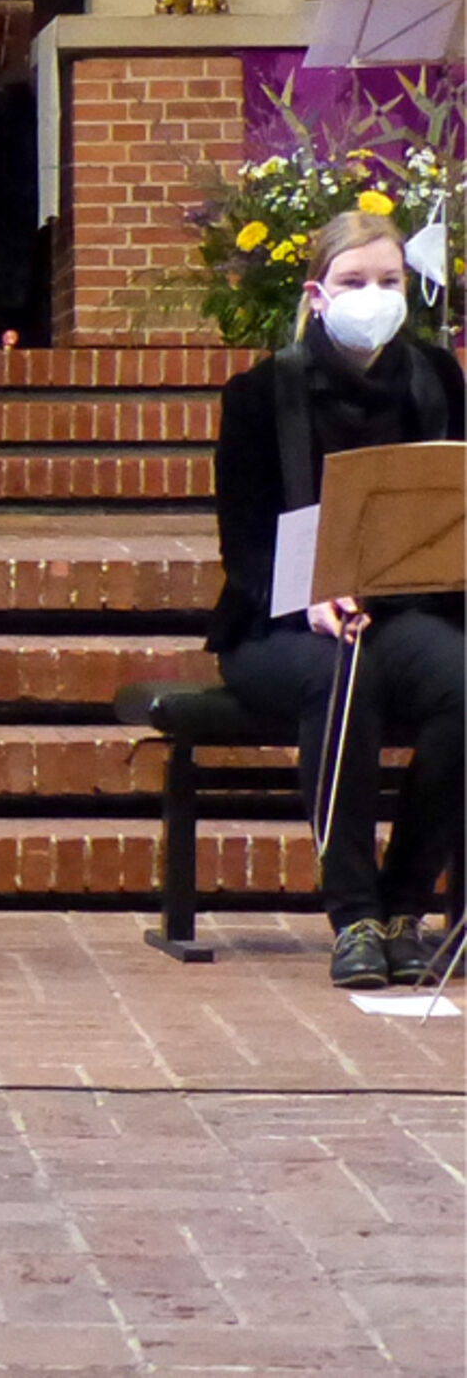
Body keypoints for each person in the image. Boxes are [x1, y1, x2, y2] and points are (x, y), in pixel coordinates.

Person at [206, 211, 465, 990]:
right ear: (318, 294)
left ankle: (403, 905)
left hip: (407, 608)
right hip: (281, 625)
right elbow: (244, 542)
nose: (374, 296)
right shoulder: (260, 393)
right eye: (355, 282)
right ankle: (352, 915)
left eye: (389, 281)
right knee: (340, 677)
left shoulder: (439, 378)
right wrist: (309, 596)